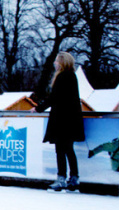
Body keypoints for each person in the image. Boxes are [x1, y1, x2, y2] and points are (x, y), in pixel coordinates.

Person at [32, 51, 85, 191]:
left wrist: (38, 108)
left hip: (63, 120)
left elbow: (54, 97)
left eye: (56, 61)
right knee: (68, 149)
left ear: (61, 62)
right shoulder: (72, 76)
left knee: (61, 149)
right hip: (70, 119)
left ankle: (62, 178)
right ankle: (74, 178)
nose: (54, 63)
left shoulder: (63, 77)